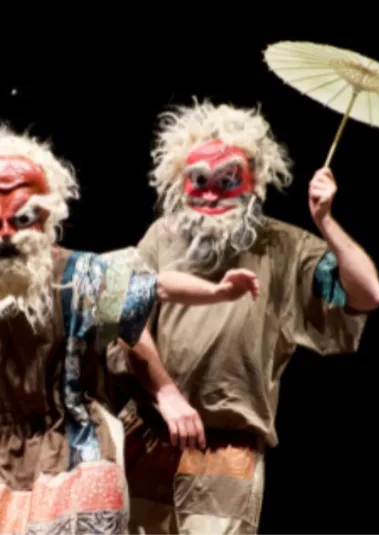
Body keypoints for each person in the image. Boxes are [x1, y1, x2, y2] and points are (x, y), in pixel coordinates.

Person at [112, 99, 379, 534]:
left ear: (254, 181)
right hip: (148, 434)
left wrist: (326, 222)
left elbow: (368, 294)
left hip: (227, 448)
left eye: (227, 180)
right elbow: (127, 319)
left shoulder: (284, 247)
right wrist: (166, 393)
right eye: (199, 180)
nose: (211, 193)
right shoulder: (163, 236)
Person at [0, 126, 260, 533]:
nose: (6, 235)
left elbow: (156, 285)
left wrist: (217, 291)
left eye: (22, 219)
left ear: (46, 214)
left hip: (73, 450)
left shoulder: (78, 276)